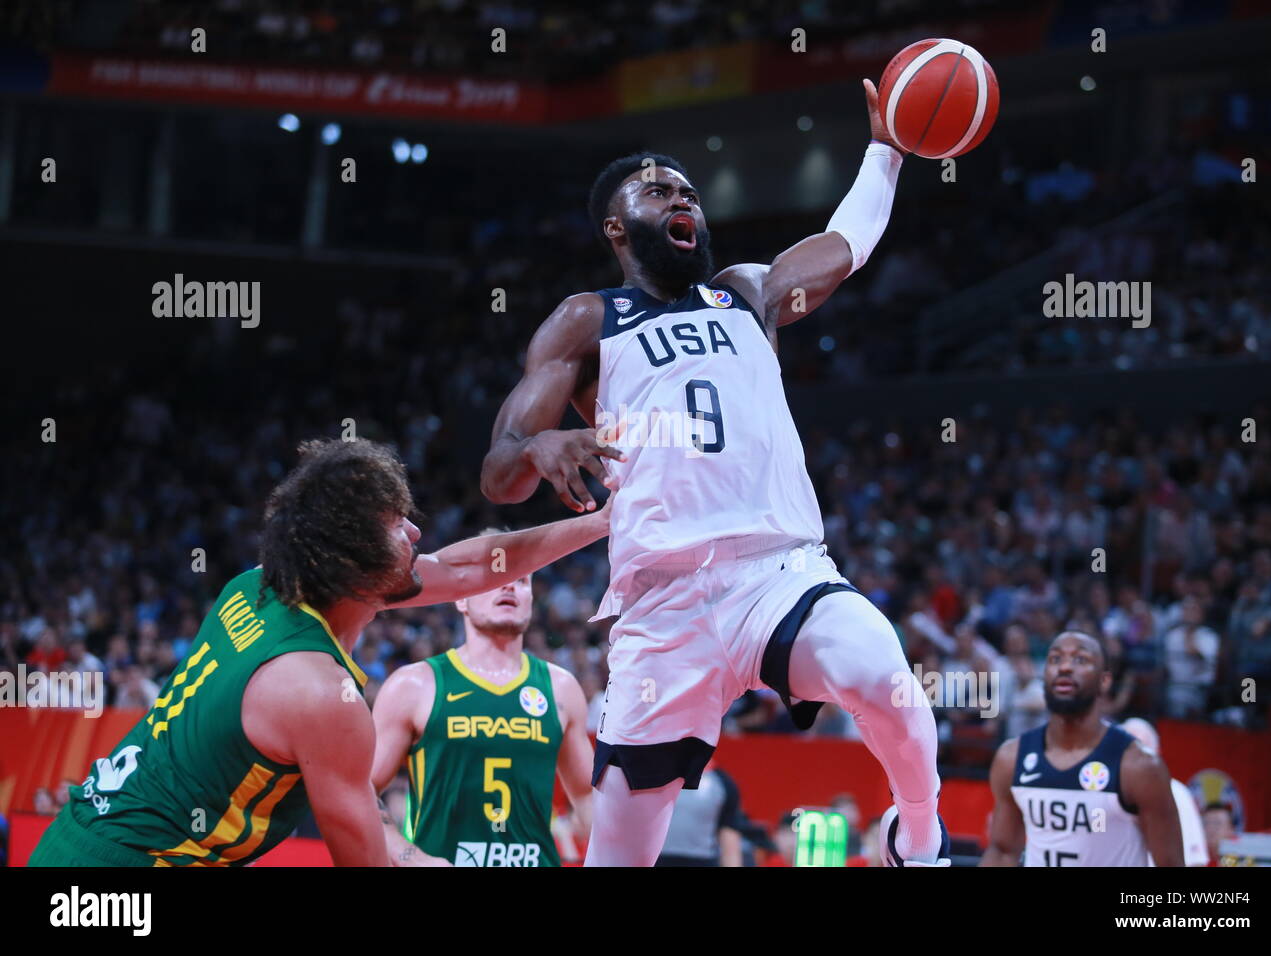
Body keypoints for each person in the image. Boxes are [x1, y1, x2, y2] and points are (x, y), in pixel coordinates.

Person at [481, 78, 949, 867]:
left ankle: (921, 830)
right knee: (621, 850)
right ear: (617, 225)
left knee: (884, 675)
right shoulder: (589, 319)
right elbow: (500, 474)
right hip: (662, 605)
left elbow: (846, 245)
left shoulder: (746, 294)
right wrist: (536, 448)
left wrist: (887, 151)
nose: (681, 196)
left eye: (689, 189)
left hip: (777, 571)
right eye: (658, 188)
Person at [29, 439, 609, 867]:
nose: (414, 533)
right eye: (393, 526)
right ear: (350, 560)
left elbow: (470, 567)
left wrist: (604, 523)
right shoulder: (317, 693)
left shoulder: (253, 586)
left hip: (77, 841)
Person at [370, 538, 594, 867]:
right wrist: (410, 858)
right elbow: (360, 791)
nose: (509, 588)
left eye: (520, 580)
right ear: (461, 598)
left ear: (531, 599)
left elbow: (587, 798)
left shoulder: (562, 688)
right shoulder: (414, 684)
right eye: (494, 578)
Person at [981, 632, 1184, 866]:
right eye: (1055, 659)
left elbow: (1171, 864)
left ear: (1104, 681)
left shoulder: (1139, 767)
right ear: (1044, 675)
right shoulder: (1012, 758)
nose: (1065, 667)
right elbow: (1002, 852)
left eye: (1080, 660)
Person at [1120, 717, 1210, 866]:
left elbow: (1195, 860)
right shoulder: (1100, 791)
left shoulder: (1178, 793)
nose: (1136, 760)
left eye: (1143, 750)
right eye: (1128, 750)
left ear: (1157, 753)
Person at [654, 758, 744, 867]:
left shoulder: (722, 782)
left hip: (702, 860)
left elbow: (729, 834)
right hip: (656, 859)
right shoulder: (653, 777)